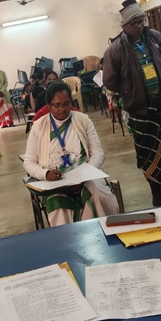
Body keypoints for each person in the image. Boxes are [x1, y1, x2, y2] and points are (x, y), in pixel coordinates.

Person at [103, 0, 161, 207]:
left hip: (160, 103)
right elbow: (109, 80)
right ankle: (156, 191)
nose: (139, 26)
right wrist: (129, 90)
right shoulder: (116, 49)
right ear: (125, 26)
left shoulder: (155, 37)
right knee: (148, 150)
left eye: (141, 21)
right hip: (140, 109)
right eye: (134, 23)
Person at [23, 82, 119, 226]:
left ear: (71, 103)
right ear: (48, 106)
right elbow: (29, 162)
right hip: (55, 182)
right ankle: (69, 238)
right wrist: (45, 173)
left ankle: (101, 232)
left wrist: (85, 174)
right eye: (56, 105)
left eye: (66, 104)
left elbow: (98, 154)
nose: (62, 109)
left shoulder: (83, 120)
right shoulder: (39, 126)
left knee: (98, 195)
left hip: (86, 177)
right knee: (58, 204)